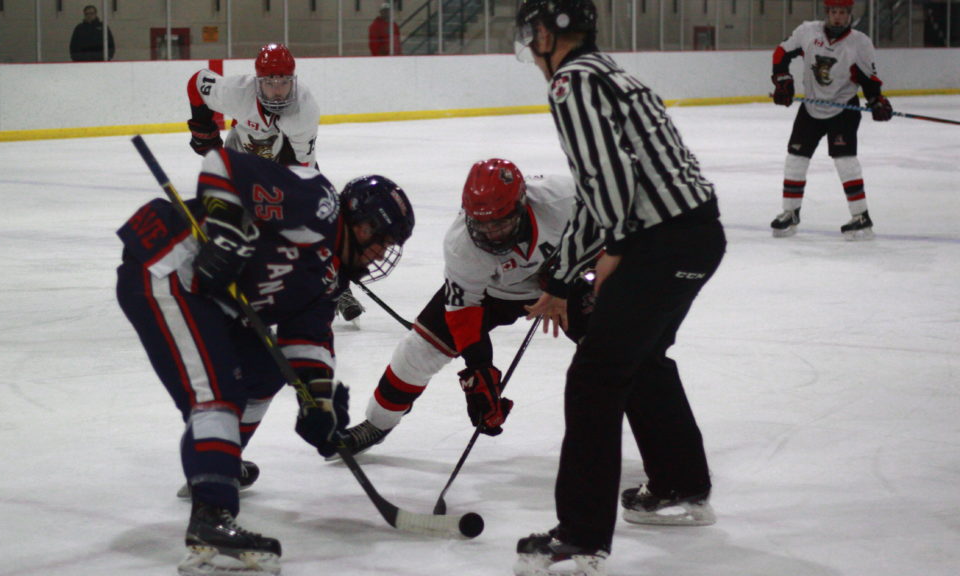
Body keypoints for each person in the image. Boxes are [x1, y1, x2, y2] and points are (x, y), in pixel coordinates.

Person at [116, 148, 414, 575]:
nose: (380, 251)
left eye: (389, 245)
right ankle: (211, 521)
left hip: (212, 300)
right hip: (171, 267)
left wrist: (319, 404)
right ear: (359, 221)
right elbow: (223, 165)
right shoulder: (318, 204)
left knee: (264, 371)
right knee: (216, 393)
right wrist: (225, 234)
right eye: (380, 237)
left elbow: (307, 339)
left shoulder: (331, 278)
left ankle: (219, 463)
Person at [512, 1, 727, 575]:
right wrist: (567, 276)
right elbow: (599, 194)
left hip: (661, 243)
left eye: (533, 31)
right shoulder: (610, 72)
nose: (529, 43)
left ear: (548, 33)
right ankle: (681, 486)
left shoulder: (571, 83)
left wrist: (613, 248)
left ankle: (581, 537)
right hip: (700, 237)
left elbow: (608, 182)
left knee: (595, 378)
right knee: (642, 359)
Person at [336, 158, 602, 457]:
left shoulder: (563, 198)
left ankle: (632, 435)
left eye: (500, 223)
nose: (491, 234)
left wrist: (572, 272)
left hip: (572, 281)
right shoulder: (461, 245)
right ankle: (377, 423)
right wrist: (480, 370)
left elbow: (619, 229)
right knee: (417, 351)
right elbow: (463, 313)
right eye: (480, 224)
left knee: (613, 352)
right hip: (496, 291)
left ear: (522, 205)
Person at [186, 43, 366, 322]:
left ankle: (337, 287)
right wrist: (205, 132)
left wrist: (293, 207)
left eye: (284, 82)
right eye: (270, 83)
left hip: (288, 163)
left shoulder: (304, 110)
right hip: (240, 164)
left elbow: (304, 173)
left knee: (318, 220)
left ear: (293, 80)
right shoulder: (237, 93)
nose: (278, 90)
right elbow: (197, 83)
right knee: (235, 228)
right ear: (257, 82)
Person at [769, 0, 892, 240]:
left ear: (849, 15)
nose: (838, 17)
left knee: (845, 161)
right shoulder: (807, 31)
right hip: (811, 107)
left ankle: (861, 216)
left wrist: (876, 101)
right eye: (834, 12)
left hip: (843, 108)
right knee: (795, 159)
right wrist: (783, 82)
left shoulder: (860, 43)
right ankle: (790, 212)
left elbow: (869, 79)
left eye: (842, 13)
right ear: (826, 13)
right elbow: (781, 54)